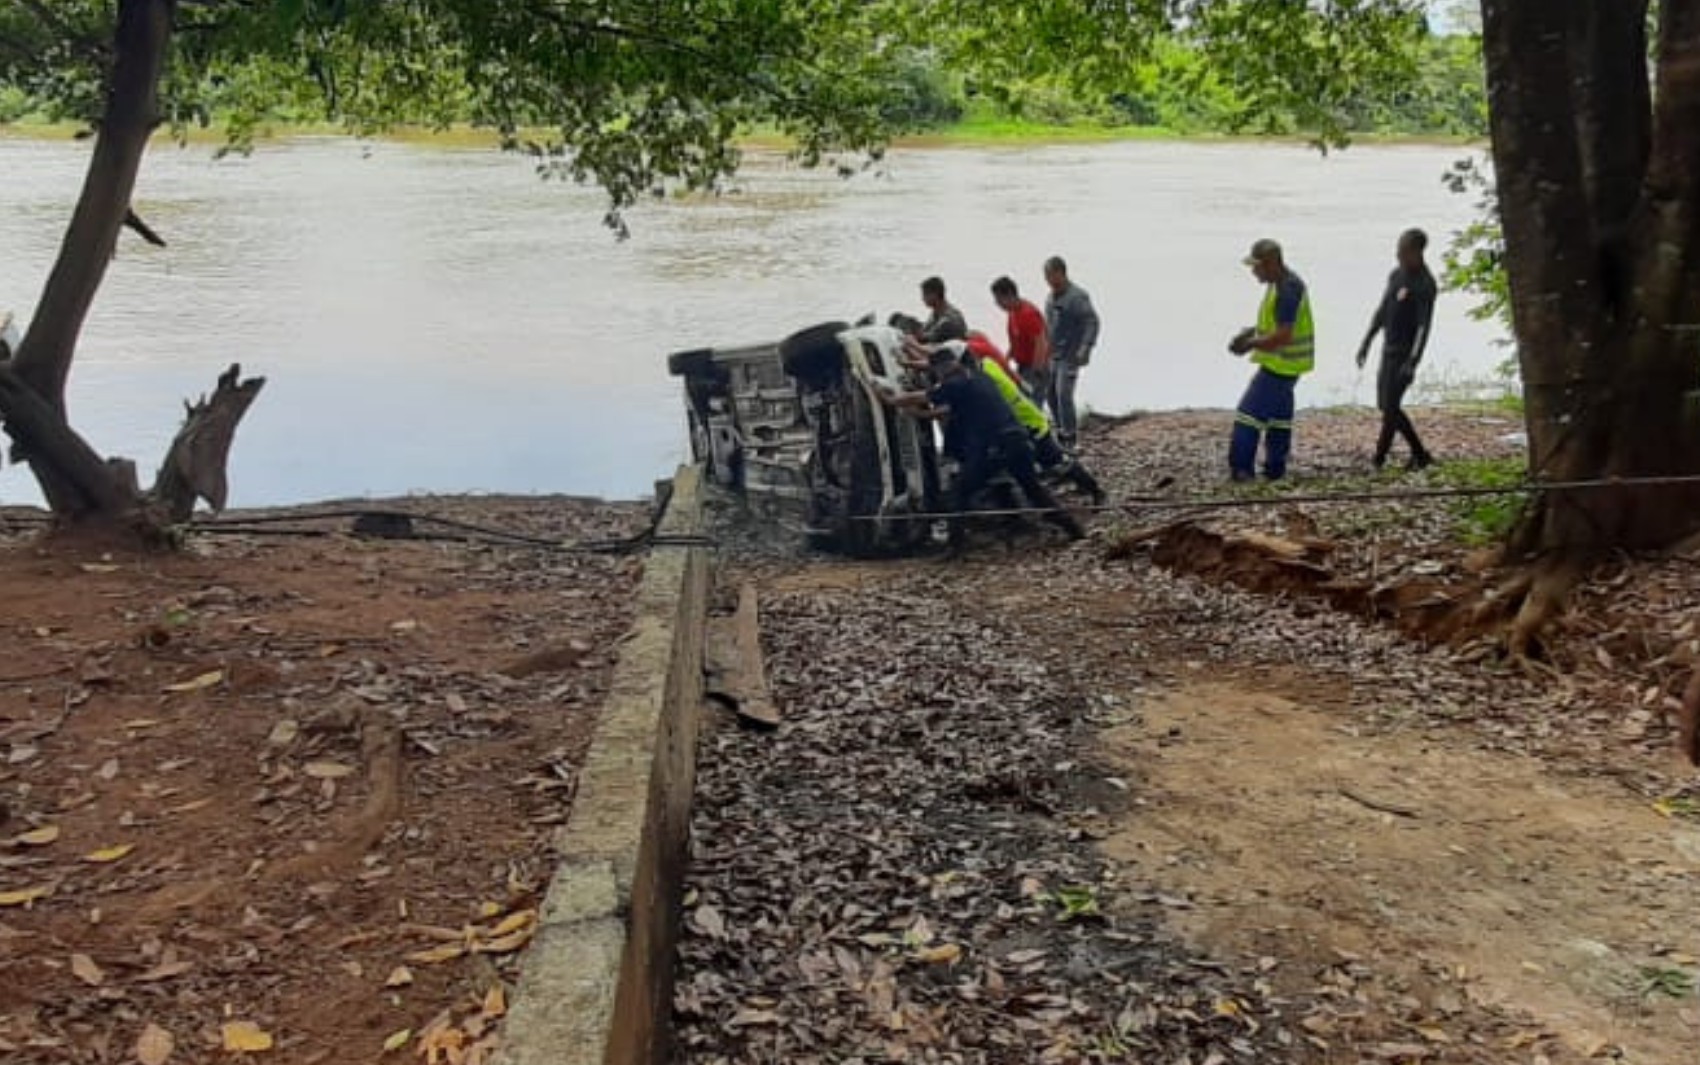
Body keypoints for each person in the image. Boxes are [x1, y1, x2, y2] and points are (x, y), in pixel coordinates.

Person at [880, 347, 1085, 549]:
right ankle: (1073, 529)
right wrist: (922, 414)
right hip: (1019, 441)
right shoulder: (979, 377)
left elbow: (921, 397)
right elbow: (949, 408)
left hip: (995, 448)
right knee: (1034, 490)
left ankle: (956, 547)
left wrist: (890, 399)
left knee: (959, 492)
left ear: (942, 369)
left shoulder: (954, 385)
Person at [906, 332, 1107, 506]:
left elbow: (951, 401)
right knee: (1012, 470)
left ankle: (1095, 490)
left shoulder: (976, 379)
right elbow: (938, 369)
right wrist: (907, 361)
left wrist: (922, 413)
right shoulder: (984, 366)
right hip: (1017, 423)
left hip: (1026, 422)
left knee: (1055, 461)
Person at [1226, 238, 1315, 481]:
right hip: (1288, 366)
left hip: (1281, 365)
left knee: (1247, 416)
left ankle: (1242, 470)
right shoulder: (1279, 284)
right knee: (1278, 420)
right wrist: (1252, 332)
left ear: (1271, 263)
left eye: (1257, 267)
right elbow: (1276, 323)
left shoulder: (1288, 289)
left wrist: (1249, 345)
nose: (1254, 272)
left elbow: (1283, 336)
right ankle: (1275, 469)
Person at [1356, 228, 1437, 471]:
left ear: (1417, 252)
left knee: (1390, 407)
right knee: (1385, 406)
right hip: (1388, 349)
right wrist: (1367, 341)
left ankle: (1380, 458)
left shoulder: (1425, 284)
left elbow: (1424, 326)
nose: (1398, 256)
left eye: (1403, 252)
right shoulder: (1396, 275)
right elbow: (1383, 311)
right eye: (1398, 251)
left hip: (1404, 353)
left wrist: (1413, 360)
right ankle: (1419, 455)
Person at [1042, 256, 1099, 450]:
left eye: (1051, 275)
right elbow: (1047, 327)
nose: (1048, 280)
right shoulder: (1050, 298)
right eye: (1046, 277)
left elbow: (1092, 322)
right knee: (1050, 394)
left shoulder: (1077, 297)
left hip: (1071, 355)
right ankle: (1060, 432)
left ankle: (1071, 437)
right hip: (1053, 355)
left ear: (1061, 273)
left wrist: (1086, 347)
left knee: (1063, 393)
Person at [990, 276, 1052, 404]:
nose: (998, 304)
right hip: (1022, 366)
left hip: (1035, 368)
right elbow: (1015, 343)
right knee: (1019, 399)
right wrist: (1004, 362)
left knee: (1031, 403)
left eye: (999, 300)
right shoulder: (1013, 313)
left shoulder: (1028, 314)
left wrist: (1037, 371)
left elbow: (1041, 343)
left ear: (1009, 295)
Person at [918, 276, 968, 343]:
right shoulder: (937, 313)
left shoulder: (950, 318)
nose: (923, 298)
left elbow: (926, 338)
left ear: (934, 295)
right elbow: (925, 330)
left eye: (925, 294)